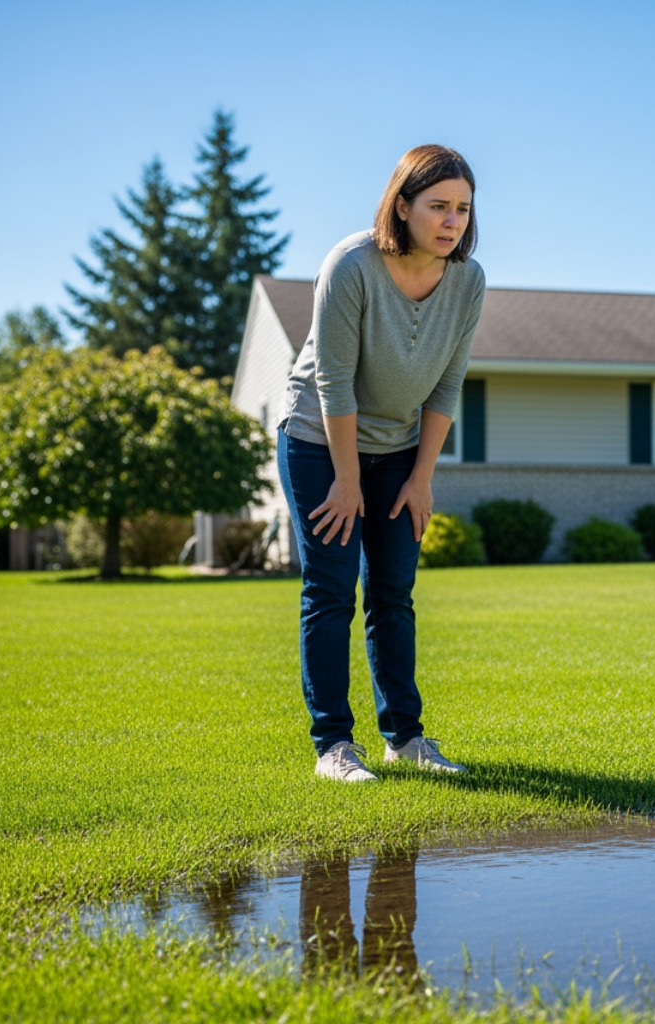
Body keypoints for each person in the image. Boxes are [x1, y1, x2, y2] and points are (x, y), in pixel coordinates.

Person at [277, 144, 484, 782]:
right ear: (402, 205)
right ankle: (334, 747)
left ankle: (405, 739)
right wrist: (344, 480)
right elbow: (334, 382)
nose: (452, 221)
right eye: (438, 207)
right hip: (319, 440)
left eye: (463, 209)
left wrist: (421, 478)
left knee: (393, 591)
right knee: (332, 587)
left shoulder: (469, 281)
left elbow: (447, 387)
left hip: (398, 450)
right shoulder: (351, 264)